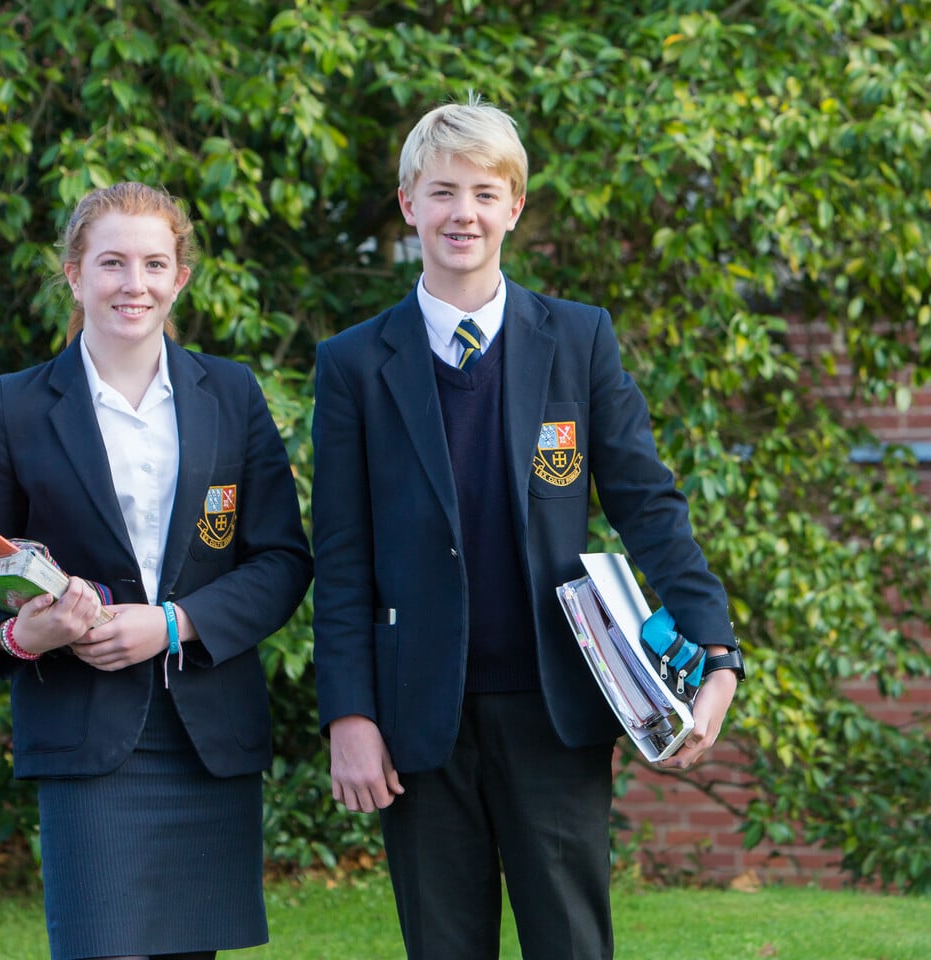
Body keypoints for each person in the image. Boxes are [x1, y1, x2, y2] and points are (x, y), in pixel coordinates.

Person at [311, 98, 744, 960]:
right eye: (440, 192)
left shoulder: (578, 340)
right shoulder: (355, 363)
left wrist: (717, 653)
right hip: (417, 718)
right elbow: (344, 556)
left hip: (558, 707)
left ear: (514, 206)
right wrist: (349, 715)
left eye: (482, 192)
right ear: (408, 206)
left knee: (573, 945)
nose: (460, 213)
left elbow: (648, 504)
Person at [0, 181, 313, 960]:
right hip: (87, 739)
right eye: (111, 263)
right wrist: (23, 633)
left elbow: (281, 561)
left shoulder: (232, 395)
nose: (132, 285)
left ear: (180, 277)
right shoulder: (17, 406)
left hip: (208, 740)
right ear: (73, 274)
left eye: (152, 263)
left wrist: (176, 622)